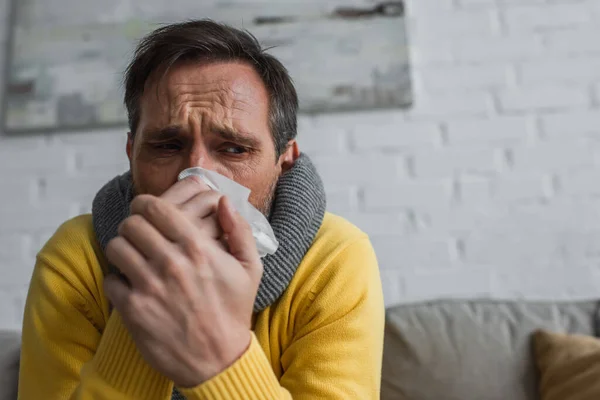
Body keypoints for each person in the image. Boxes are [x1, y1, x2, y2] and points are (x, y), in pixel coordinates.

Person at [18, 20, 384, 400]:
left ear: (284, 159)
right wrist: (147, 300)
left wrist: (221, 358)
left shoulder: (334, 258)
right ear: (132, 154)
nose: (196, 177)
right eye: (166, 146)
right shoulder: (77, 257)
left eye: (234, 148)